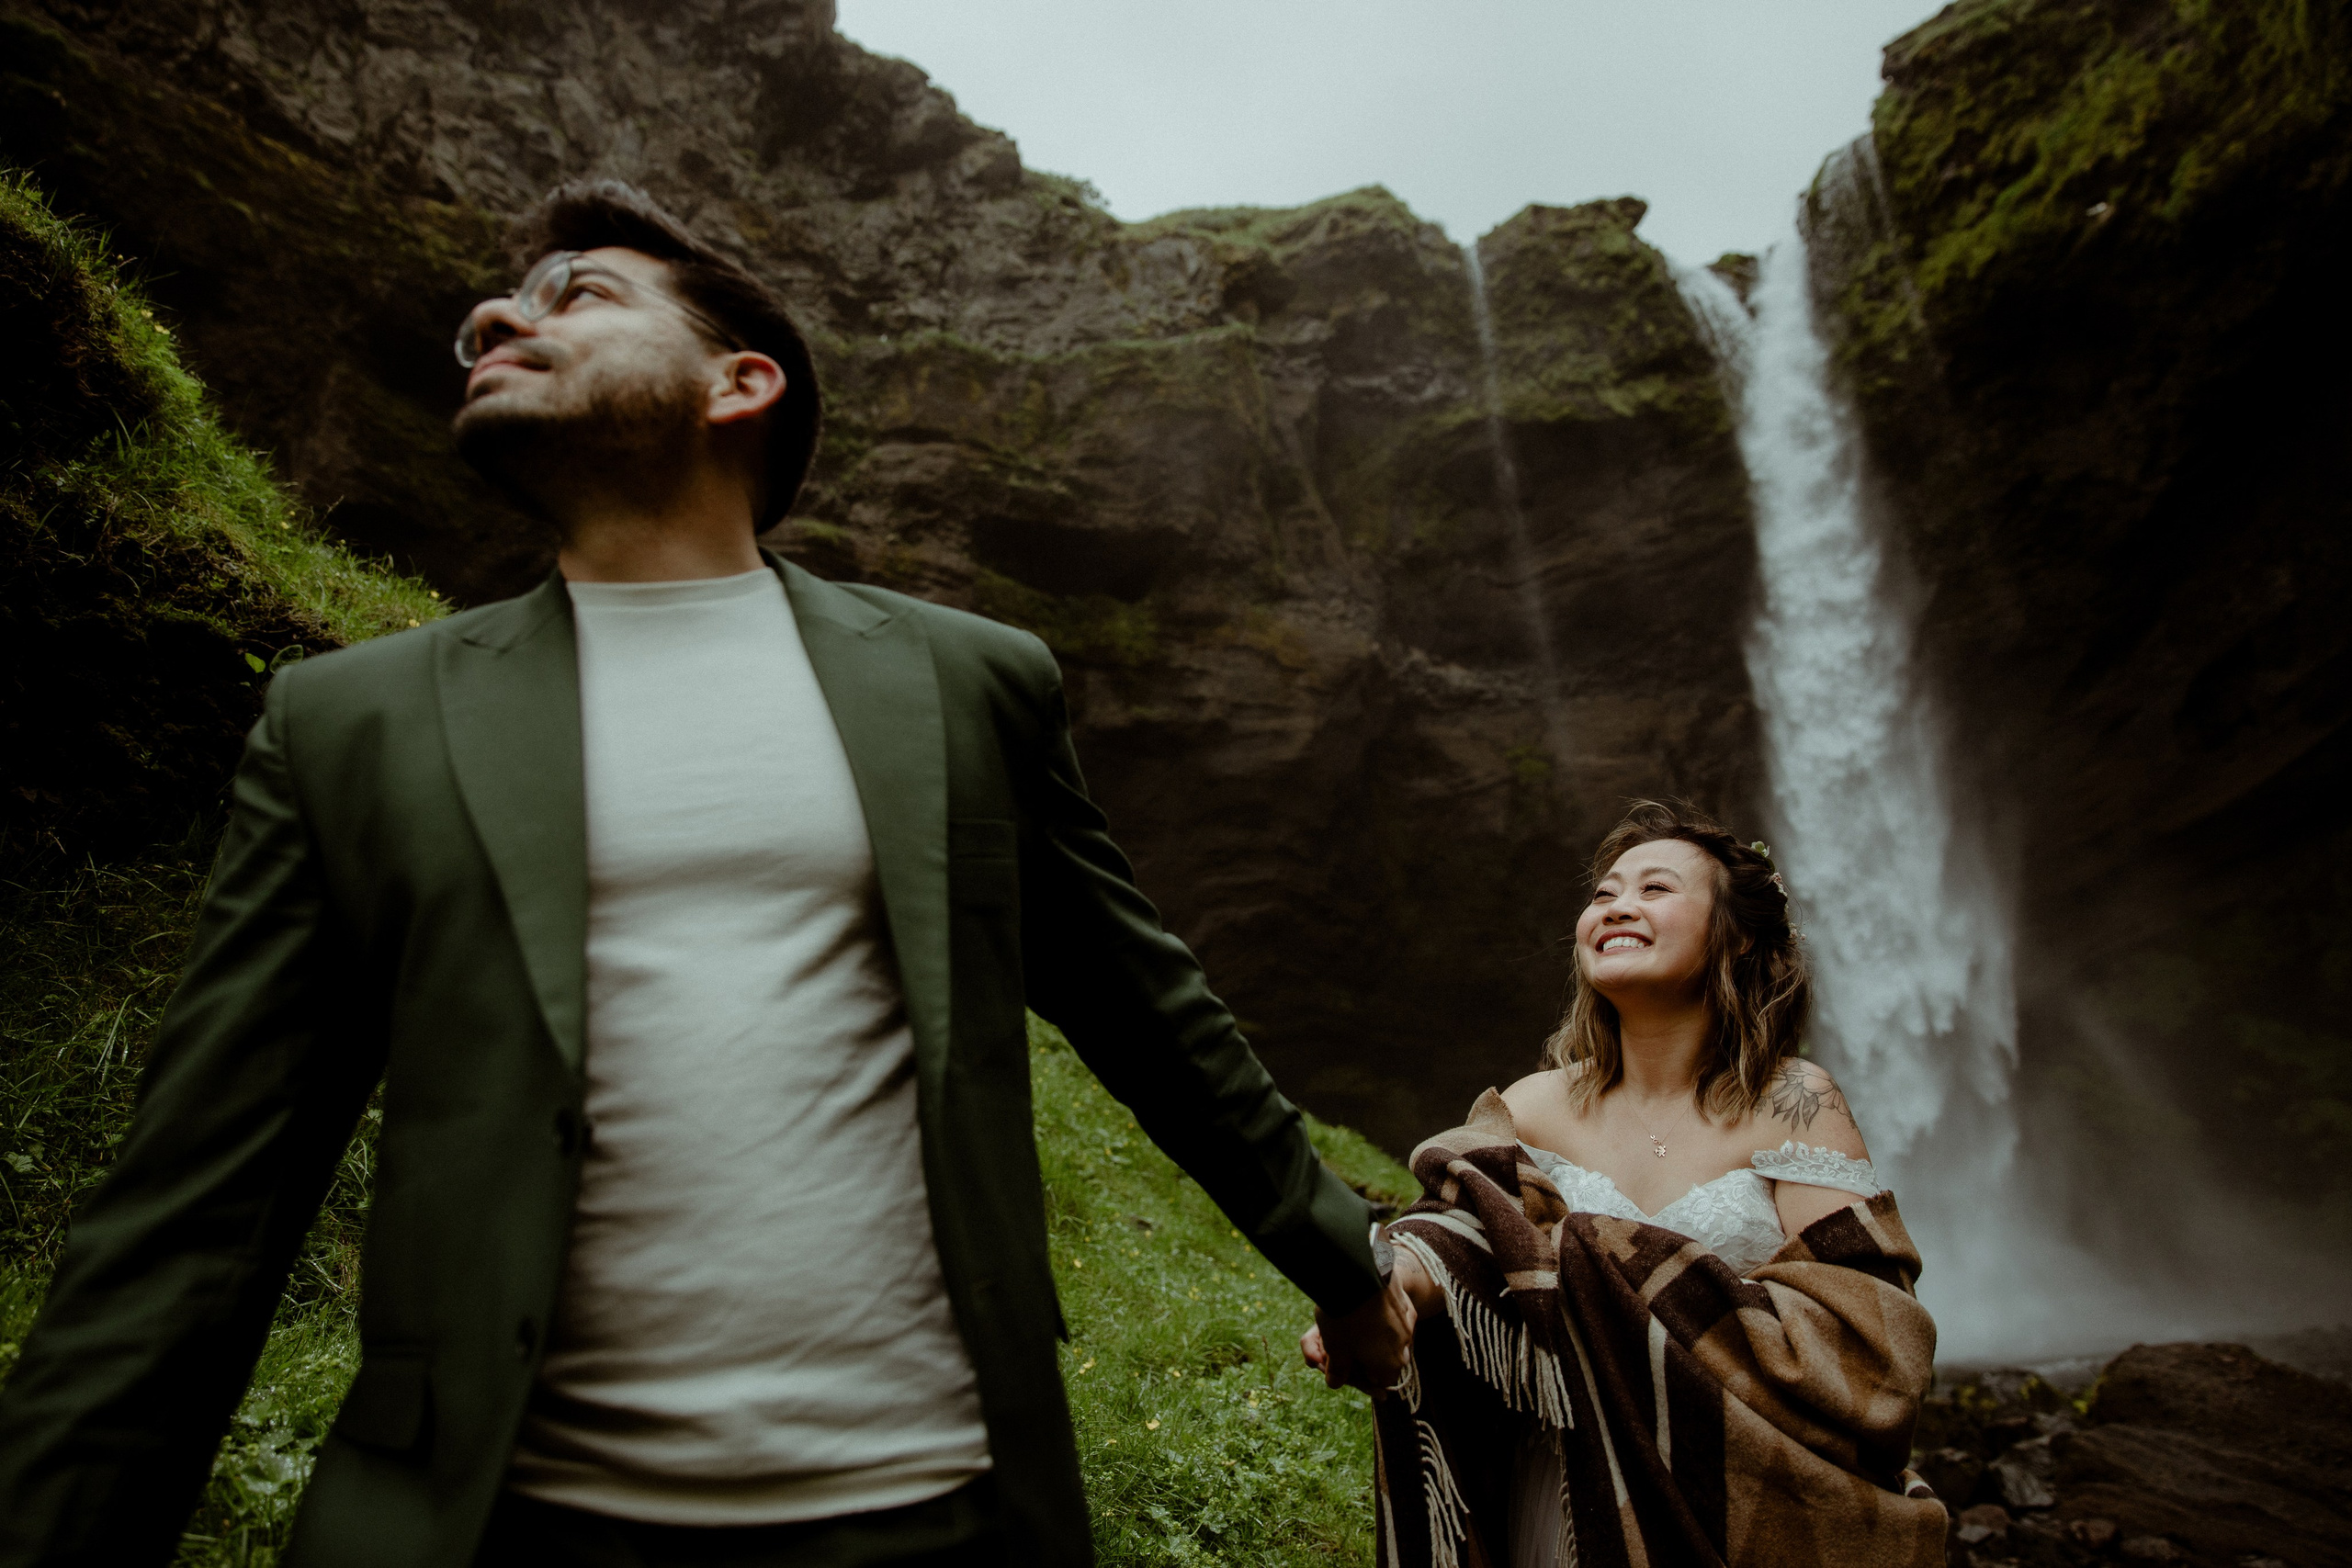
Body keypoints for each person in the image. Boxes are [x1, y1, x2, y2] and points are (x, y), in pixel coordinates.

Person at [0, 179, 1415, 1568]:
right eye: (496, 306)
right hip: (500, 1517)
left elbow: (1144, 1005)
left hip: (929, 1505)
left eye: (582, 294)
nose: (498, 312)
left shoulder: (964, 680)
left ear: (741, 382)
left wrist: (1342, 1263)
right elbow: (198, 1201)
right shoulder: (348, 721)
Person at [1307, 801, 1946, 1567]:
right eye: (1604, 893)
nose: (1616, 907)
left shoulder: (1795, 1101)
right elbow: (1461, 1232)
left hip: (1727, 1500)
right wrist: (1382, 1289)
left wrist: (1599, 1267)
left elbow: (1860, 1326)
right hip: (1564, 1496)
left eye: (1654, 889)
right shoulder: (1532, 1104)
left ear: (1736, 934)